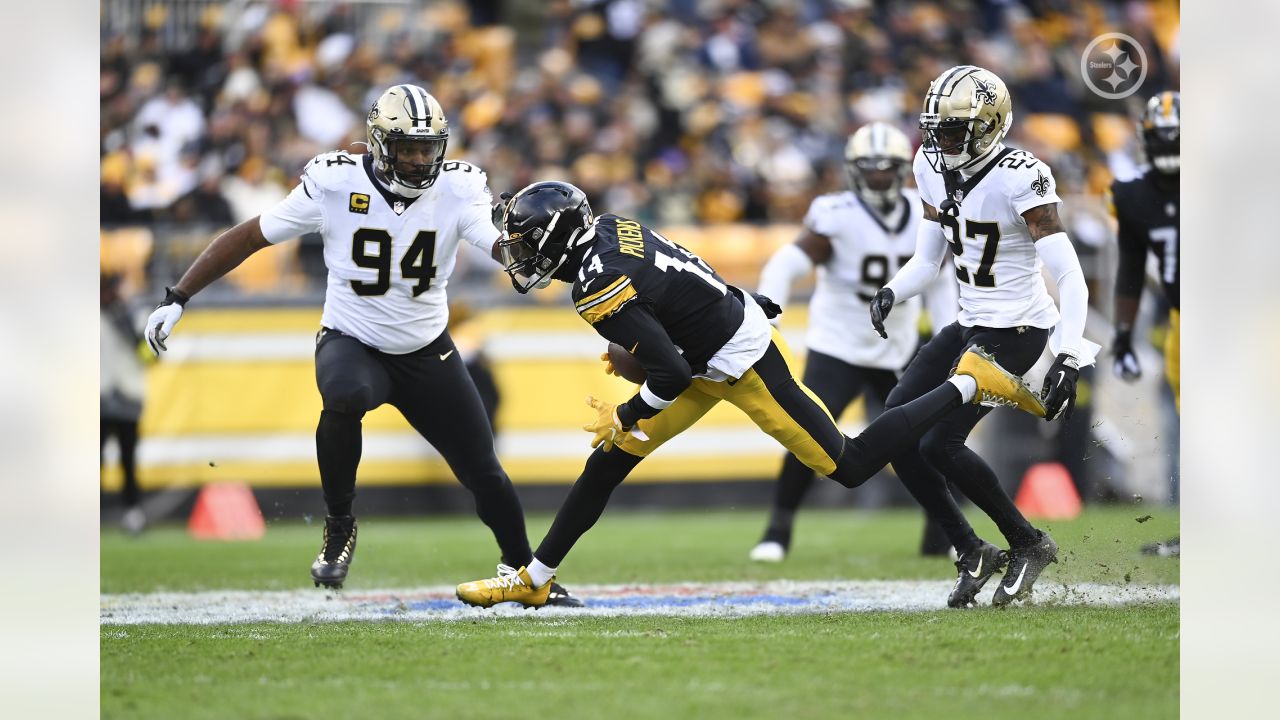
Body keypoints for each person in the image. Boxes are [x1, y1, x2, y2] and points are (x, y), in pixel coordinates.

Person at [454, 177, 1047, 609]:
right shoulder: (606, 229)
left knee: (852, 463)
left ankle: (971, 382)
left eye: (527, 243)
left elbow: (669, 377)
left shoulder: (596, 281)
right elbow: (677, 277)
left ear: (558, 239)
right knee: (609, 459)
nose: (520, 256)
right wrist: (655, 353)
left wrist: (631, 406)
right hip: (704, 346)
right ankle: (535, 576)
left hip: (737, 359)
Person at [144, 84, 580, 604]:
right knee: (345, 394)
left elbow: (495, 245)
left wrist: (536, 253)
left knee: (485, 472)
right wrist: (179, 296)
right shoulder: (335, 183)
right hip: (352, 339)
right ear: (378, 144)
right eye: (409, 148)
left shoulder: (459, 188)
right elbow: (250, 235)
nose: (421, 160)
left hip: (426, 351)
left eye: (428, 148)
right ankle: (339, 524)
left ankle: (524, 573)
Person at [865, 65, 1095, 606]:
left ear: (990, 126)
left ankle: (1028, 542)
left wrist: (1069, 355)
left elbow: (1069, 276)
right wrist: (892, 292)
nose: (938, 140)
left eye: (952, 129)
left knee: (938, 443)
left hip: (1018, 329)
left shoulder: (1022, 176)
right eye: (935, 127)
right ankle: (971, 549)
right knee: (898, 432)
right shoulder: (928, 164)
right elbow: (928, 260)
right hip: (968, 322)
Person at [748, 121, 958, 563]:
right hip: (838, 345)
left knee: (924, 441)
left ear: (904, 170)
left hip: (898, 348)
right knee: (807, 434)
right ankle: (778, 529)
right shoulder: (835, 212)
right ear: (853, 170)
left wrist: (948, 336)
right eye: (870, 168)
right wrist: (768, 314)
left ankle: (943, 531)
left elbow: (939, 280)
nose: (879, 176)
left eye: (887, 168)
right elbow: (787, 264)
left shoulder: (925, 210)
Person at [1110, 90, 1180, 556]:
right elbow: (1131, 269)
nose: (1169, 146)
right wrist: (1121, 335)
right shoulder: (1133, 195)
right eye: (1161, 138)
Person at [101, 273, 149, 535]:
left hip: (129, 395)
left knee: (128, 460)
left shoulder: (137, 315)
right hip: (98, 396)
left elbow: (151, 355)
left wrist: (129, 328)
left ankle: (132, 513)